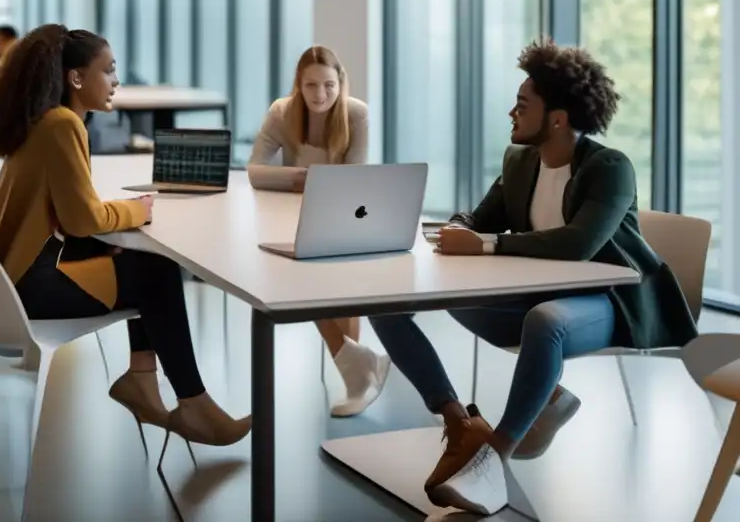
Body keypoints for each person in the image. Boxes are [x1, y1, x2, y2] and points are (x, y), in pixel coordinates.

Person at [368, 40, 698, 515]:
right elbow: (481, 217)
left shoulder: (609, 167)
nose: (511, 113)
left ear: (558, 118)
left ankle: (492, 460)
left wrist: (484, 244)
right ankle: (460, 423)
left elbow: (577, 244)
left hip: (608, 301)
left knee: (547, 321)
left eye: (523, 105)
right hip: (533, 296)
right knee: (388, 303)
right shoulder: (520, 161)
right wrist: (461, 228)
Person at [0, 24, 251, 447]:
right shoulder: (63, 124)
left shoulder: (44, 120)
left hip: (4, 282)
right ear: (76, 78)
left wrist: (118, 219)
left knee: (145, 264)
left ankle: (145, 380)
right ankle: (189, 401)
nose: (116, 81)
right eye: (109, 69)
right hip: (26, 289)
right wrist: (136, 209)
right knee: (157, 271)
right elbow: (83, 220)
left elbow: (70, 219)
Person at [247, 45, 388, 418]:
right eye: (311, 85)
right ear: (299, 85)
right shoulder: (282, 112)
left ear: (340, 82)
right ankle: (360, 369)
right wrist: (306, 179)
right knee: (306, 288)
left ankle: (357, 378)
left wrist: (304, 182)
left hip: (348, 213)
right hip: (294, 214)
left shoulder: (357, 114)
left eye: (328, 84)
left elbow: (354, 179)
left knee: (339, 286)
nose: (320, 94)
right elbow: (255, 171)